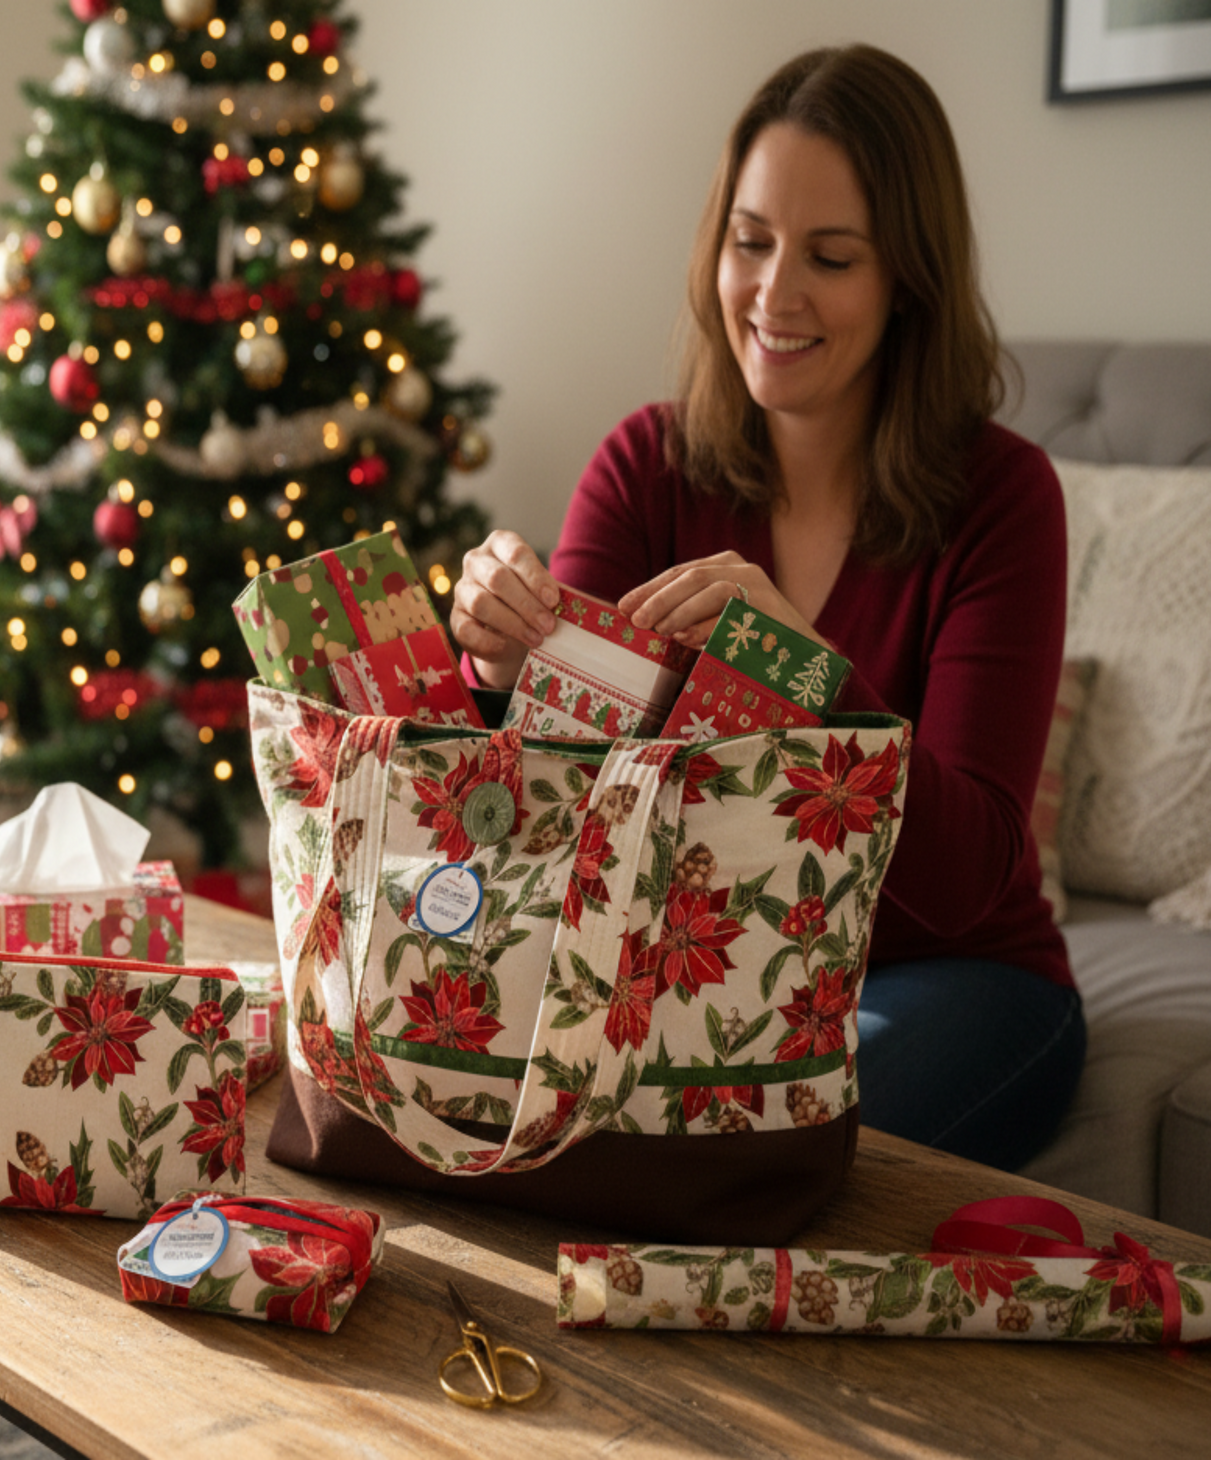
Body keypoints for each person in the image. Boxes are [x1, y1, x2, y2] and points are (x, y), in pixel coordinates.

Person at [449, 44, 1083, 1172]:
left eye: (829, 256)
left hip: (955, 977)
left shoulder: (1002, 498)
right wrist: (499, 660)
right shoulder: (644, 463)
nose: (772, 293)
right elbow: (554, 802)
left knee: (734, 1149)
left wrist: (809, 677)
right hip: (702, 966)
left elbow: (968, 871)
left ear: (908, 279)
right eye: (748, 242)